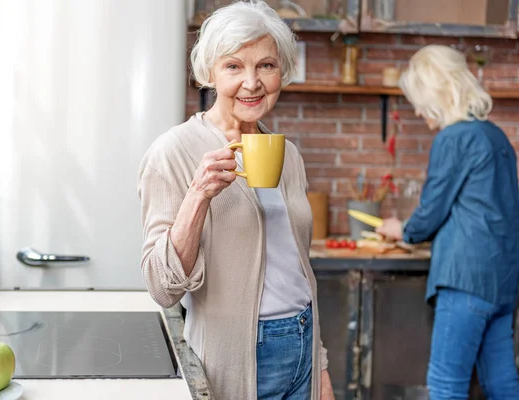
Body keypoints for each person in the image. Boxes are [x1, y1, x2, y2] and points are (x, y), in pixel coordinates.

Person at [137, 1, 334, 399]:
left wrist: (322, 367)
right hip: (236, 356)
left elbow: (297, 271)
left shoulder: (288, 155)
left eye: (266, 65)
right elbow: (162, 287)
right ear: (209, 72)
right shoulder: (173, 151)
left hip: (304, 346)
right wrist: (198, 196)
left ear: (282, 72)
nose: (252, 82)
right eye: (233, 67)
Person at [377, 44, 519, 399]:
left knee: (446, 384)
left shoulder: (453, 138)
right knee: (501, 383)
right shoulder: (496, 136)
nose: (418, 110)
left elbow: (431, 211)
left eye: (420, 101)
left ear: (437, 95)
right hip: (503, 282)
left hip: (465, 280)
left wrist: (401, 230)